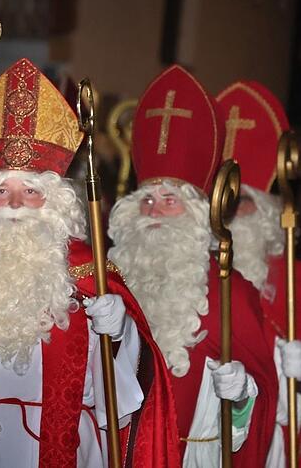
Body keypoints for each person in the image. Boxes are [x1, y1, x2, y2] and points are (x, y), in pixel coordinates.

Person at [0, 58, 177, 467]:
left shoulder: (91, 275)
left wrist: (121, 332)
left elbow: (124, 396)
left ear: (55, 202)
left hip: (67, 446)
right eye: (1, 189)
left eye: (31, 191)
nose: (16, 204)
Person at [108, 65, 279, 466]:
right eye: (147, 201)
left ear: (198, 215)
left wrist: (241, 397)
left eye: (170, 201)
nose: (154, 213)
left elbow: (263, 393)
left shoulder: (230, 290)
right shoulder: (111, 281)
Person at [215, 79, 301, 467]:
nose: (230, 216)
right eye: (222, 203)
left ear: (269, 211)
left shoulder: (294, 280)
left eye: (243, 203)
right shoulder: (195, 279)